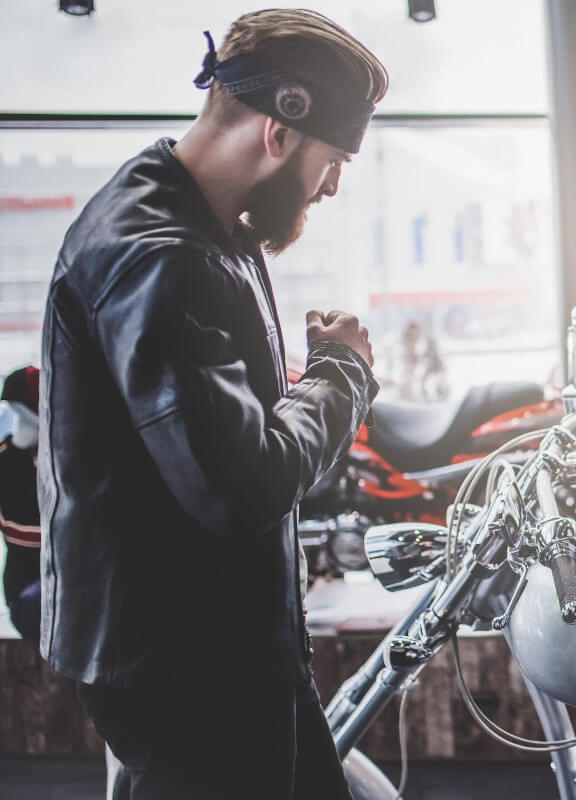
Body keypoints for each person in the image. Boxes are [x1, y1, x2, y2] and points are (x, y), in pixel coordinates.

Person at [38, 10, 387, 799]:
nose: (332, 185)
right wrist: (342, 375)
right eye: (333, 160)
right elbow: (240, 486)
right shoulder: (158, 254)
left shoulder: (203, 221)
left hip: (220, 644)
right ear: (279, 134)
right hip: (187, 669)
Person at [1, 366, 41, 641]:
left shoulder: (67, 457)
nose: (18, 422)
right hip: (29, 587)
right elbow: (13, 529)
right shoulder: (5, 459)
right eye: (13, 413)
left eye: (23, 413)